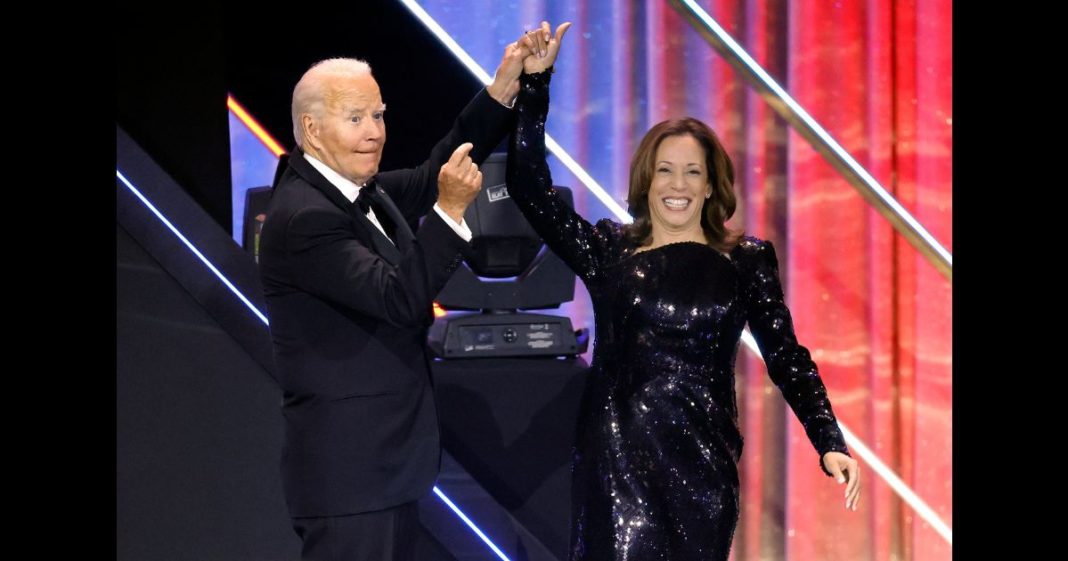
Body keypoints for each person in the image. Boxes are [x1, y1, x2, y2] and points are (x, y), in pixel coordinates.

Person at [506, 25, 861, 560]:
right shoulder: (608, 251)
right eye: (665, 171)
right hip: (617, 465)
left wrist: (828, 439)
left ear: (712, 184)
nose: (677, 186)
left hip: (703, 465)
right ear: (646, 181)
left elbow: (787, 356)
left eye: (692, 172)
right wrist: (536, 87)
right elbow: (528, 186)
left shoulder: (746, 261)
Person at [257, 26, 557, 560]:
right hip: (348, 480)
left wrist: (502, 88)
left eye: (378, 115)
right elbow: (398, 299)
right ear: (312, 130)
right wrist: (448, 212)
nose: (374, 132)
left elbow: (430, 174)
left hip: (382, 472)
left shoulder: (350, 189)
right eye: (355, 119)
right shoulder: (305, 218)